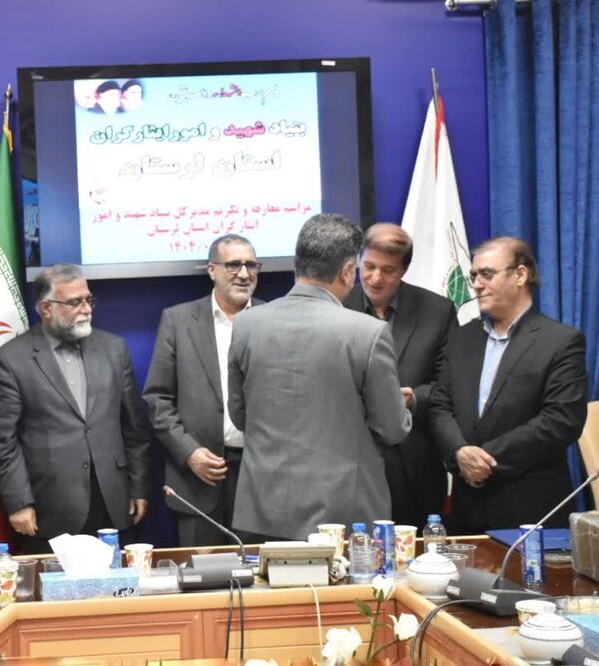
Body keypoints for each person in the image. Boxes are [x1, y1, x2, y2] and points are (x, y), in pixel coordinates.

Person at [228, 214, 412, 541]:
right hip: (343, 516)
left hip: (263, 509)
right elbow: (392, 428)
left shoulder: (246, 325)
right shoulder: (368, 333)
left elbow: (239, 416)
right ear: (347, 271)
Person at [0, 263, 151, 553]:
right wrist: (19, 502)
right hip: (50, 508)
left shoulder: (113, 349)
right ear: (46, 308)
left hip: (113, 501)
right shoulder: (10, 361)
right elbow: (2, 442)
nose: (86, 309)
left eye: (88, 300)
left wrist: (138, 487)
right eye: (75, 302)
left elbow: (134, 427)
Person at [429, 237, 588, 532]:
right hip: (467, 507)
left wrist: (485, 459)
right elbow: (440, 406)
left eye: (487, 274)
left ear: (520, 275)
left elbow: (562, 420)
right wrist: (460, 453)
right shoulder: (461, 338)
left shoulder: (561, 341)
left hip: (530, 508)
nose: (477, 284)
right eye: (474, 275)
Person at [144, 234, 262, 546]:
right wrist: (189, 452)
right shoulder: (178, 320)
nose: (244, 274)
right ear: (212, 270)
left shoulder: (274, 319)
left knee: (259, 574)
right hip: (197, 480)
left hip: (260, 479)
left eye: (251, 265)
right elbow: (157, 400)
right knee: (202, 573)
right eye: (233, 265)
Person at [344, 223, 456, 527]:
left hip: (414, 465)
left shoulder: (437, 311)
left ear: (403, 270)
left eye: (388, 270)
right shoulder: (337, 307)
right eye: (369, 267)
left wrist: (414, 398)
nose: (375, 278)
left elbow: (452, 384)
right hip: (350, 465)